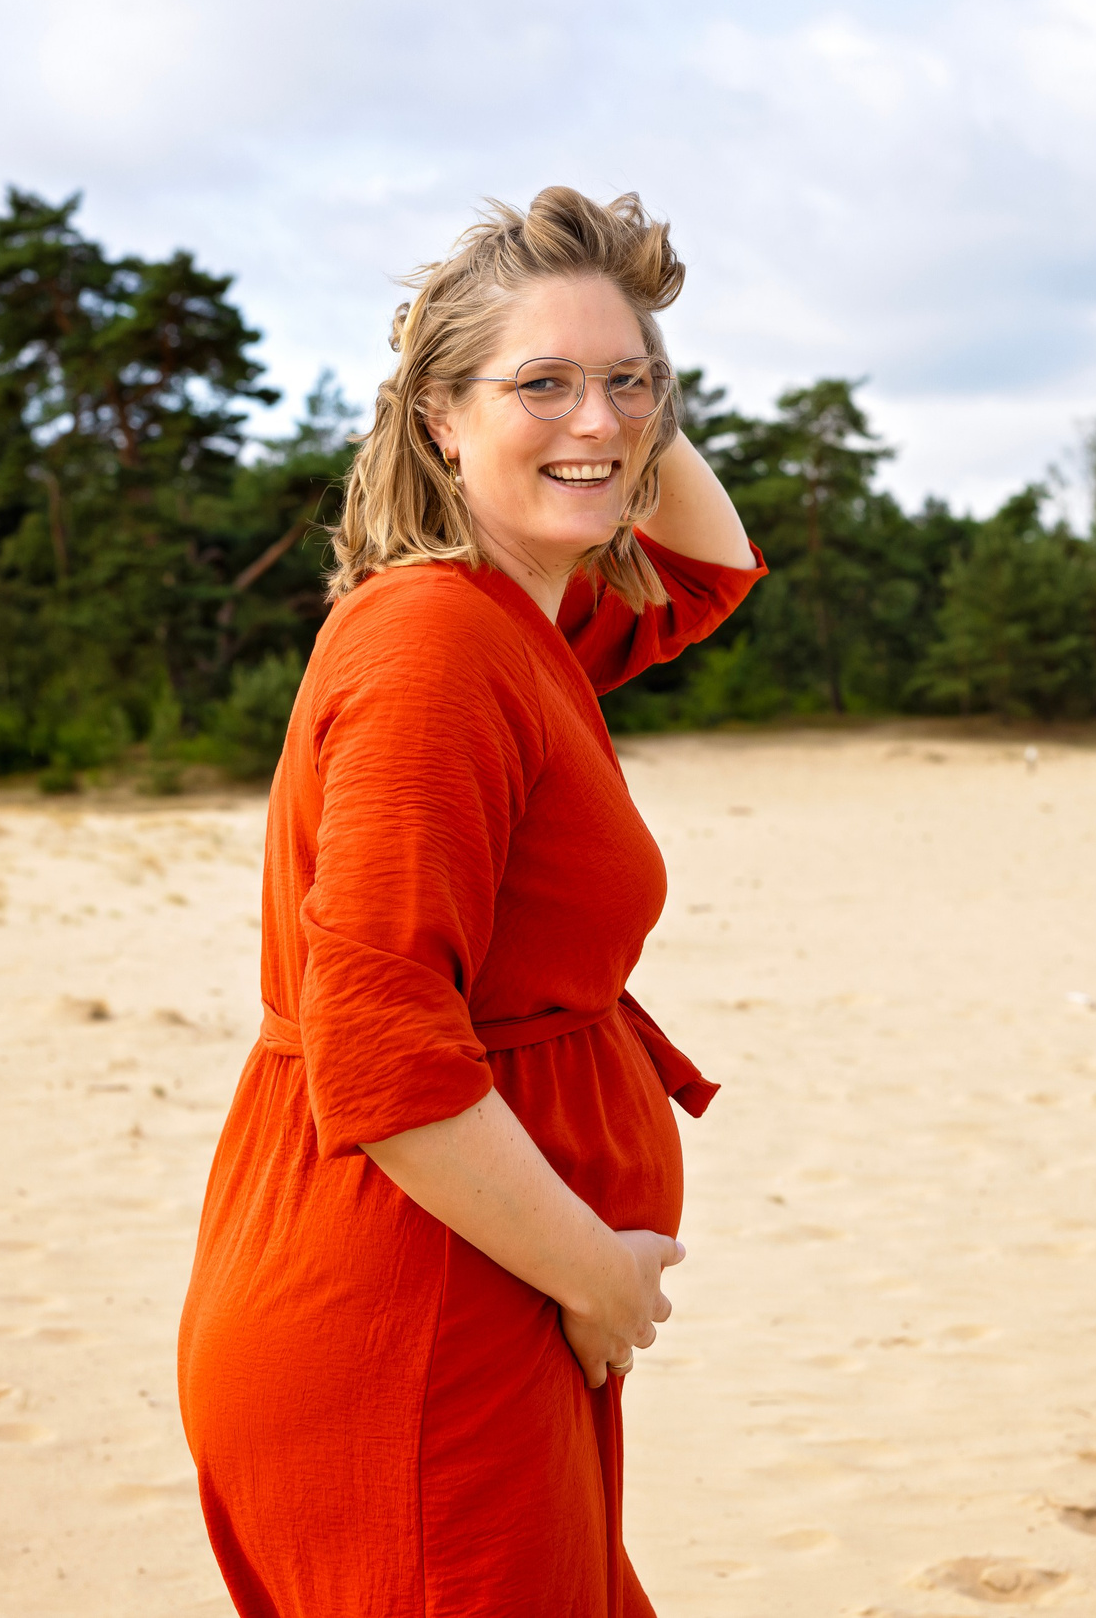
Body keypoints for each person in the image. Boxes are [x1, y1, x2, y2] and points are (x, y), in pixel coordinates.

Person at [176, 187, 764, 1617]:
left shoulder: (525, 619)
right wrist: (600, 1279)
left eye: (630, 382)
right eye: (540, 385)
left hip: (476, 1292)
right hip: (416, 1312)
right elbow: (382, 1050)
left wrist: (614, 414)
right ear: (440, 415)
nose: (600, 420)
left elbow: (710, 570)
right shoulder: (437, 646)